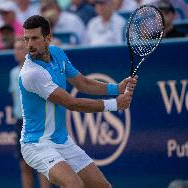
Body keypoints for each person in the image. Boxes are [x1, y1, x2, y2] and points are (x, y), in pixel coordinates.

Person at [19, 15, 137, 188]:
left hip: (61, 140)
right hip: (37, 144)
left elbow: (82, 83)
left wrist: (116, 88)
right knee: (74, 185)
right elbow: (71, 103)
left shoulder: (57, 53)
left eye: (35, 38)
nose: (29, 44)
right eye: (26, 39)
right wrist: (115, 104)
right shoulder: (32, 74)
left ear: (48, 39)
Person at [9, 37, 51, 188]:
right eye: (15, 48)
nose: (17, 51)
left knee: (42, 164)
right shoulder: (13, 73)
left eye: (20, 48)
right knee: (24, 164)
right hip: (20, 123)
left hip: (37, 122)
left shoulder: (37, 70)